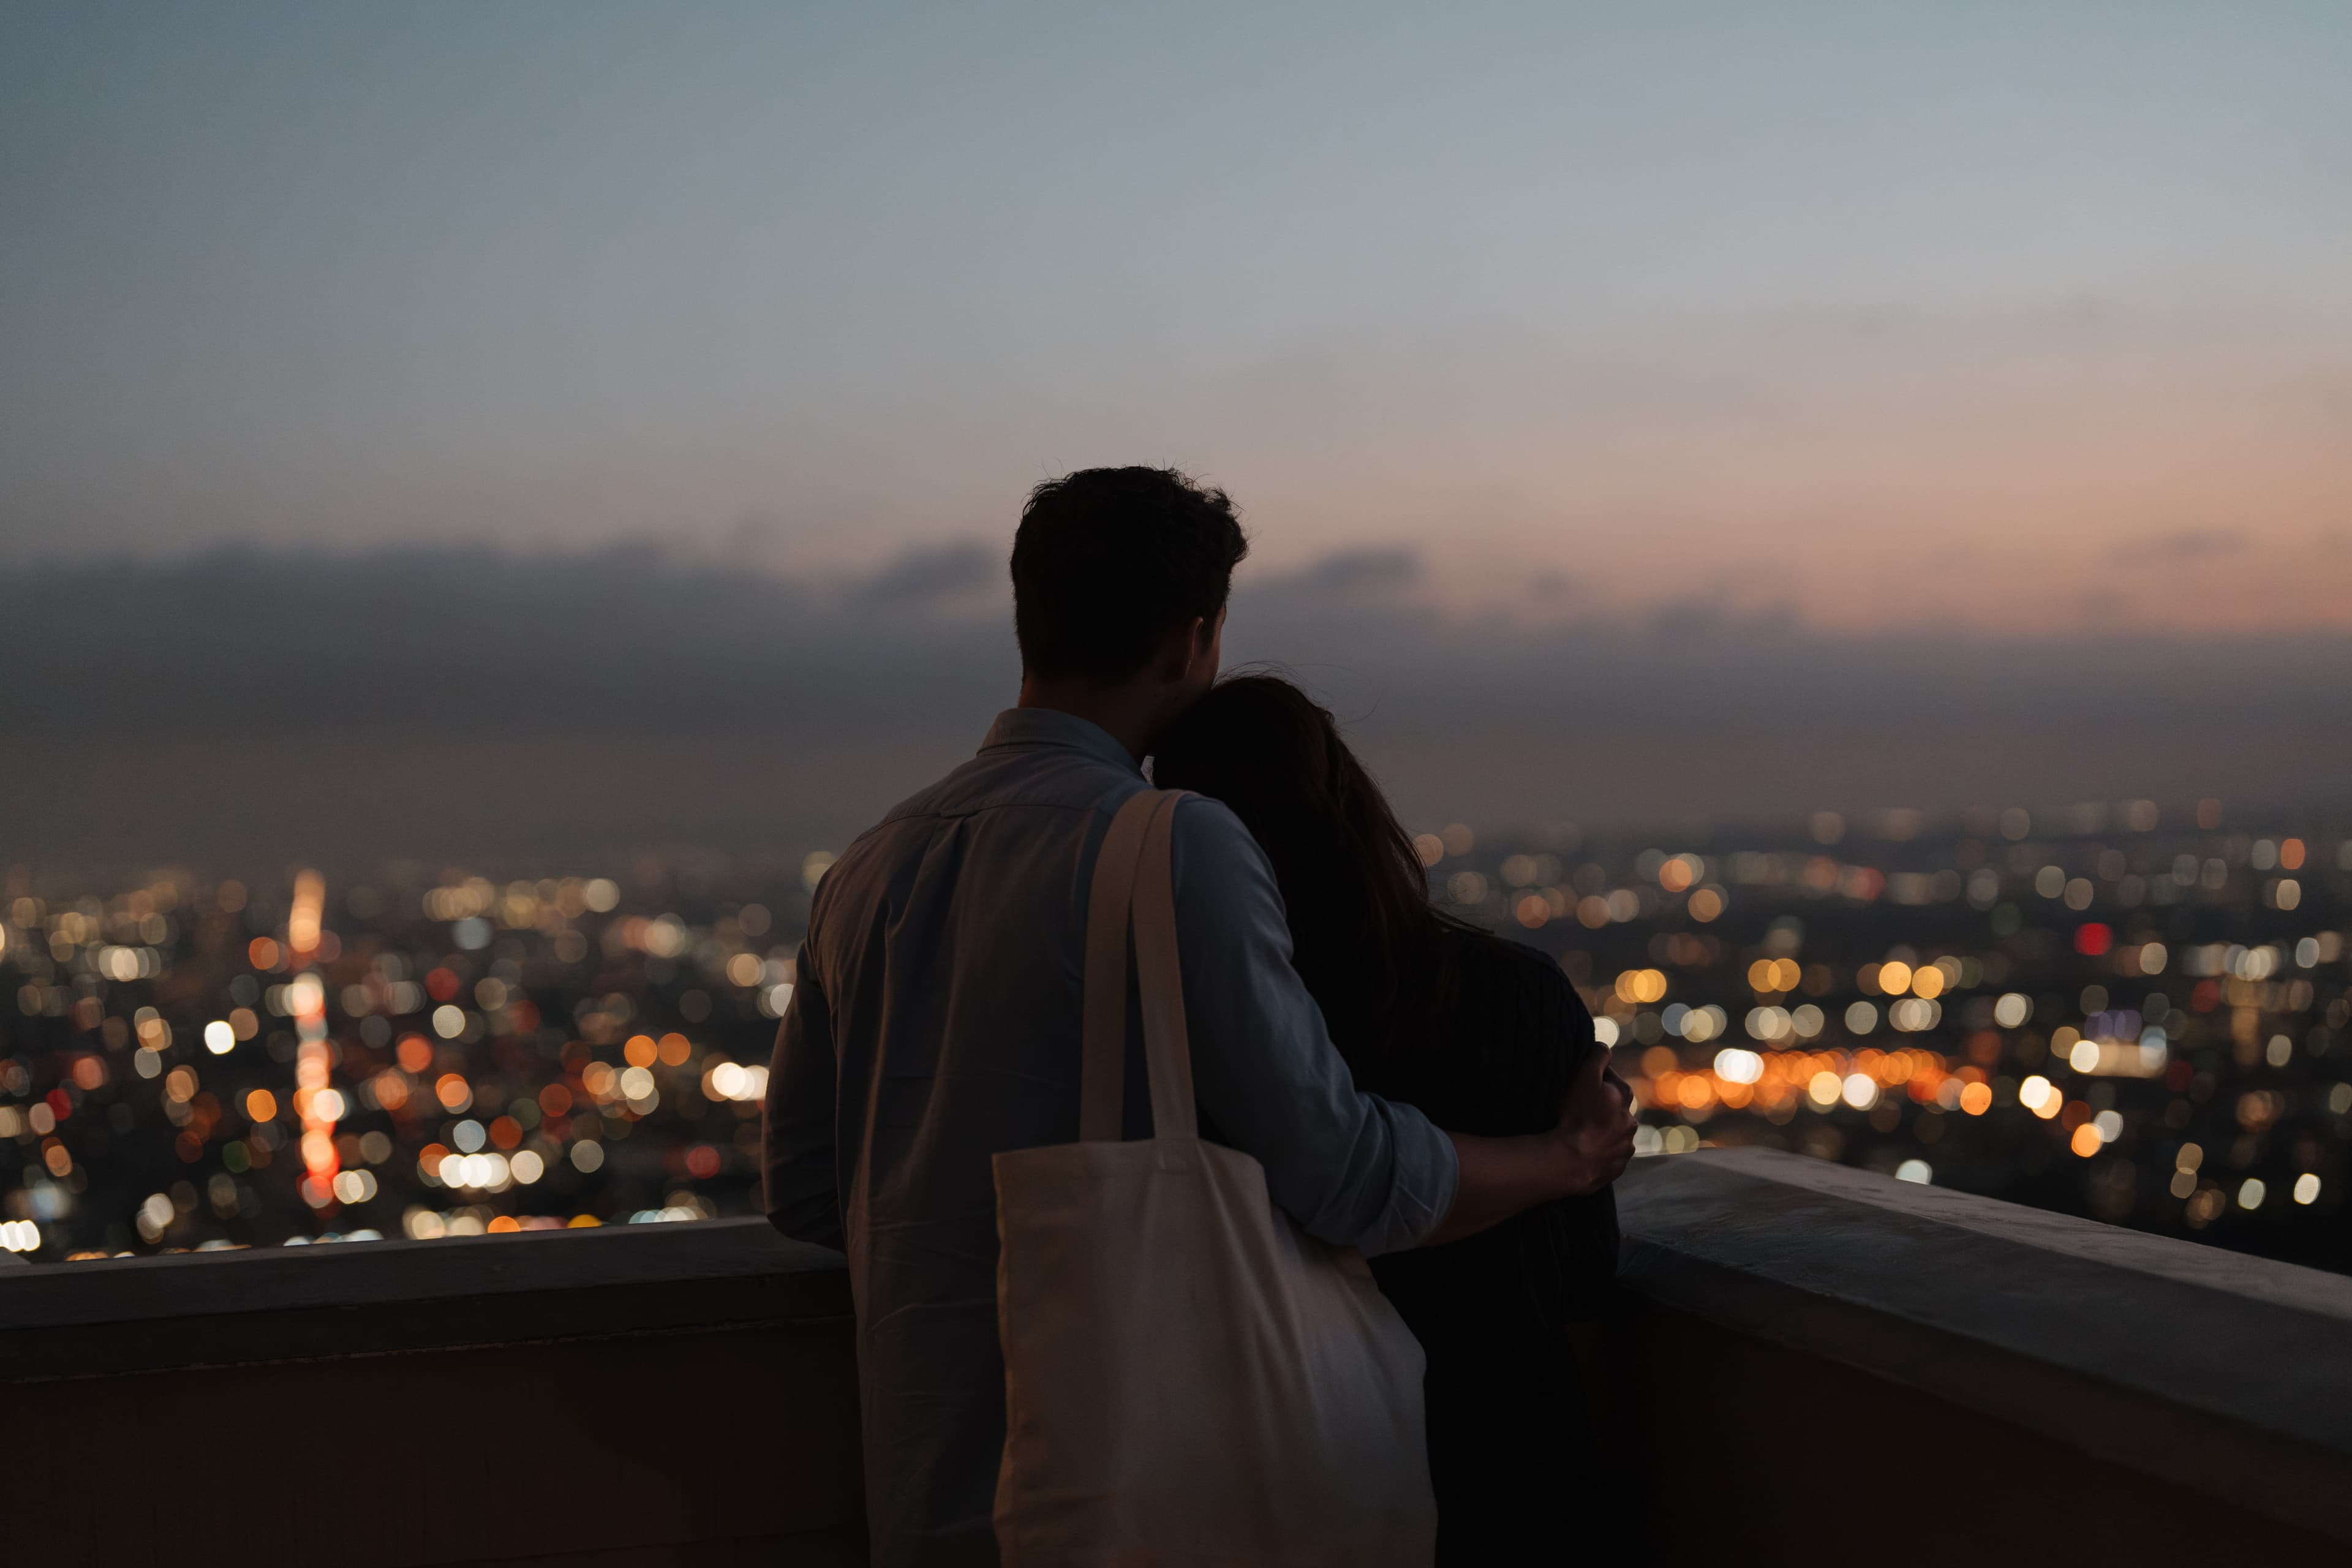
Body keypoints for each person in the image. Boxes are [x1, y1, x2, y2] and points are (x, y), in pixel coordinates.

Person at [764, 466, 1637, 1567]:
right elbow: (1344, 1177)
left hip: (928, 1481)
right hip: (1133, 1478)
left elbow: (803, 1188)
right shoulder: (1171, 844)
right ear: (1192, 640)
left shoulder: (868, 865)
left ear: (1028, 618)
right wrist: (1566, 1159)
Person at [1154, 674, 1624, 1564]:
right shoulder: (1516, 998)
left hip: (1291, 1481)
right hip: (1510, 1470)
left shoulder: (1179, 1035)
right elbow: (1587, 1277)